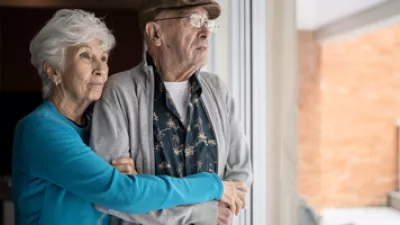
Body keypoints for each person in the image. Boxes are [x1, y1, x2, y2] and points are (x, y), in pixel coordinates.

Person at [11, 8, 246, 225]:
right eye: (85, 56)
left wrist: (137, 181)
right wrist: (212, 185)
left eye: (103, 58)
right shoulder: (40, 130)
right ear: (53, 70)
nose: (100, 69)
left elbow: (130, 192)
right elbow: (124, 193)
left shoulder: (92, 125)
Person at [90, 0, 253, 224]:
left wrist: (144, 188)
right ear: (156, 32)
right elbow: (113, 195)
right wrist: (203, 213)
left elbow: (241, 174)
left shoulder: (217, 90)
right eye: (195, 20)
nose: (206, 32)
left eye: (208, 23)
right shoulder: (120, 92)